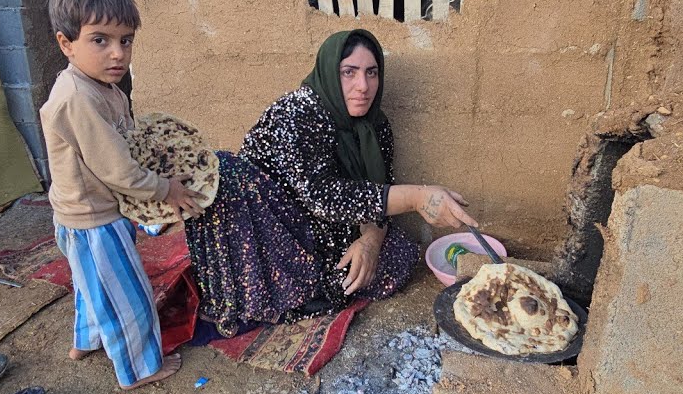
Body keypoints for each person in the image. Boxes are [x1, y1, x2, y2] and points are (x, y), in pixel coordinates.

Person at [186, 29, 476, 336]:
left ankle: (307, 284)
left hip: (325, 226)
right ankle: (273, 286)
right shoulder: (295, 115)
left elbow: (377, 192)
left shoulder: (375, 127)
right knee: (226, 169)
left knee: (400, 255)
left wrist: (370, 242)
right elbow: (323, 197)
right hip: (268, 226)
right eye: (348, 72)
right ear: (328, 72)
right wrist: (419, 198)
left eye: (371, 73)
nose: (363, 86)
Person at [39, 0, 205, 389]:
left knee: (91, 285)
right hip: (95, 219)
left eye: (126, 40)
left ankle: (85, 342)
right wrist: (168, 190)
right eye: (100, 40)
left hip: (81, 213)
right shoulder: (78, 99)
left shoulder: (102, 87)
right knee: (129, 298)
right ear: (66, 43)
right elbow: (119, 170)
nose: (118, 53)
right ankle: (139, 369)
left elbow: (128, 143)